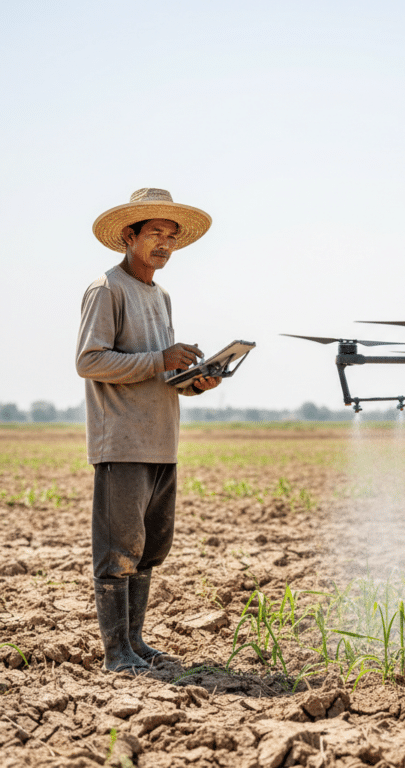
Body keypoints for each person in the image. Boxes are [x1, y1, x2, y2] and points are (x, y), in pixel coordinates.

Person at [77, 188, 221, 673]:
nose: (165, 243)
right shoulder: (107, 289)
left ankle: (135, 642)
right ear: (129, 236)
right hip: (121, 441)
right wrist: (161, 358)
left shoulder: (161, 296)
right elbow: (90, 360)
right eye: (155, 233)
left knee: (149, 550)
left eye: (171, 236)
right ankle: (116, 653)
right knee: (118, 551)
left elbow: (160, 373)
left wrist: (194, 381)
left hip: (162, 441)